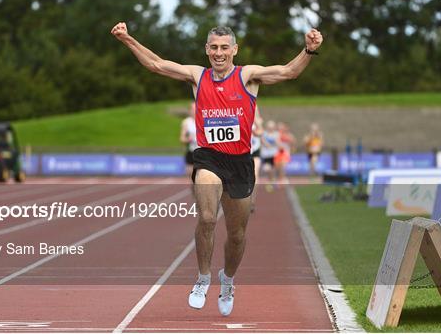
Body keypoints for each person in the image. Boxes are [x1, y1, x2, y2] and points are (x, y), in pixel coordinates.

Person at [111, 22, 323, 316]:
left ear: (234, 50)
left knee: (236, 235)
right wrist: (127, 39)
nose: (219, 53)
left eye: (224, 47)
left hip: (240, 163)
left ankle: (228, 280)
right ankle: (202, 278)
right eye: (213, 47)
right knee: (208, 218)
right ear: (206, 50)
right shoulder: (197, 76)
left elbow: (288, 72)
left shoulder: (248, 75)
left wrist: (310, 50)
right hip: (208, 158)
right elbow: (157, 64)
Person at [180, 102, 199, 183]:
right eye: (192, 109)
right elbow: (182, 138)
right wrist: (188, 139)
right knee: (192, 178)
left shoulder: (204, 120)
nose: (194, 110)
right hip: (191, 152)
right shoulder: (186, 122)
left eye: (196, 108)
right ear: (189, 110)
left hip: (203, 152)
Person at [250, 108, 263, 212]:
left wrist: (255, 128)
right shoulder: (239, 114)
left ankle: (252, 202)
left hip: (255, 152)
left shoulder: (257, 120)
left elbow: (260, 132)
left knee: (255, 175)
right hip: (243, 151)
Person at [260, 120, 280, 192]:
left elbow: (277, 142)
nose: (270, 128)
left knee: (273, 169)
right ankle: (271, 181)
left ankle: (271, 182)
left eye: (272, 127)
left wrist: (274, 143)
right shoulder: (264, 133)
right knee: (267, 169)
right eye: (269, 127)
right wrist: (267, 144)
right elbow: (262, 140)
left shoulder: (276, 134)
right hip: (266, 155)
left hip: (274, 154)